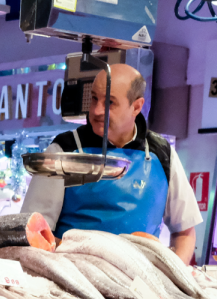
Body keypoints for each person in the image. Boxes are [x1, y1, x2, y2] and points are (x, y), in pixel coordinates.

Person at [21, 63, 202, 263]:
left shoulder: (164, 154)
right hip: (74, 280)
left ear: (136, 106)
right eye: (94, 99)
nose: (97, 110)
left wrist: (173, 278)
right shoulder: (63, 150)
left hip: (141, 285)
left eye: (110, 103)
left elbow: (185, 232)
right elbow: (33, 231)